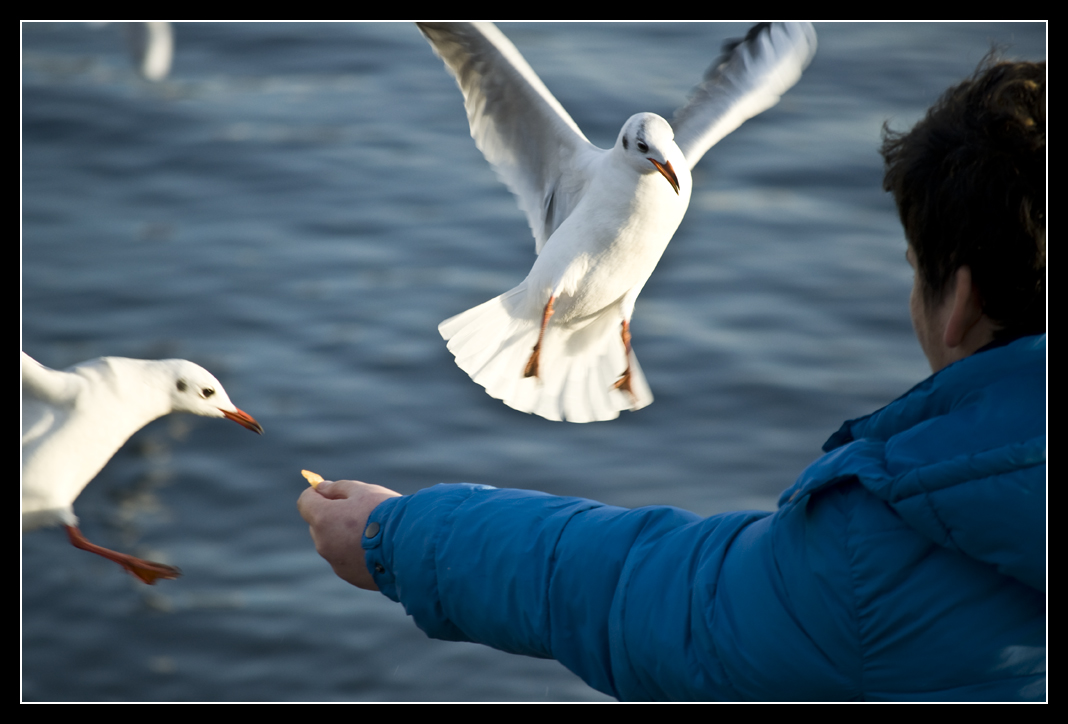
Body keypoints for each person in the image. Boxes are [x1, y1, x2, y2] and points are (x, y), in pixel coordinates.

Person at [298, 57, 1046, 701]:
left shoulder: (880, 555)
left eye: (915, 271)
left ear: (963, 300)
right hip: (547, 309)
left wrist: (396, 536)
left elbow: (661, 601)